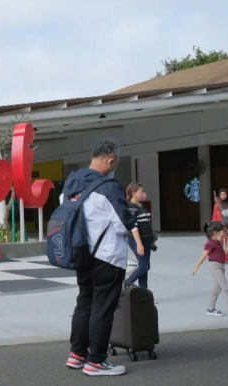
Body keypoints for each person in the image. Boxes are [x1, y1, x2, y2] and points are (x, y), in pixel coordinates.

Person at [62, 139, 142, 377]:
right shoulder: (108, 186)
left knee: (84, 302)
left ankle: (77, 354)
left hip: (80, 253)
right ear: (111, 160)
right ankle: (96, 360)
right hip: (106, 256)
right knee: (102, 308)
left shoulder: (71, 184)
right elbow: (122, 224)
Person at [192, 221, 228, 317]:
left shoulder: (217, 243)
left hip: (221, 267)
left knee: (216, 290)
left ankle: (210, 308)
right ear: (217, 233)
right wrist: (196, 268)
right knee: (225, 288)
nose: (225, 233)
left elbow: (223, 257)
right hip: (215, 268)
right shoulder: (210, 244)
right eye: (224, 231)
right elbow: (203, 256)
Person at [124, 183, 156, 289]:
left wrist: (151, 240)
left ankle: (144, 293)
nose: (143, 194)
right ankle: (125, 284)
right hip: (137, 239)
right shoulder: (131, 207)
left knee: (144, 268)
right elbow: (134, 227)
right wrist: (139, 243)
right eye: (141, 191)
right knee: (144, 266)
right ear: (134, 193)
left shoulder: (141, 206)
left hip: (146, 240)